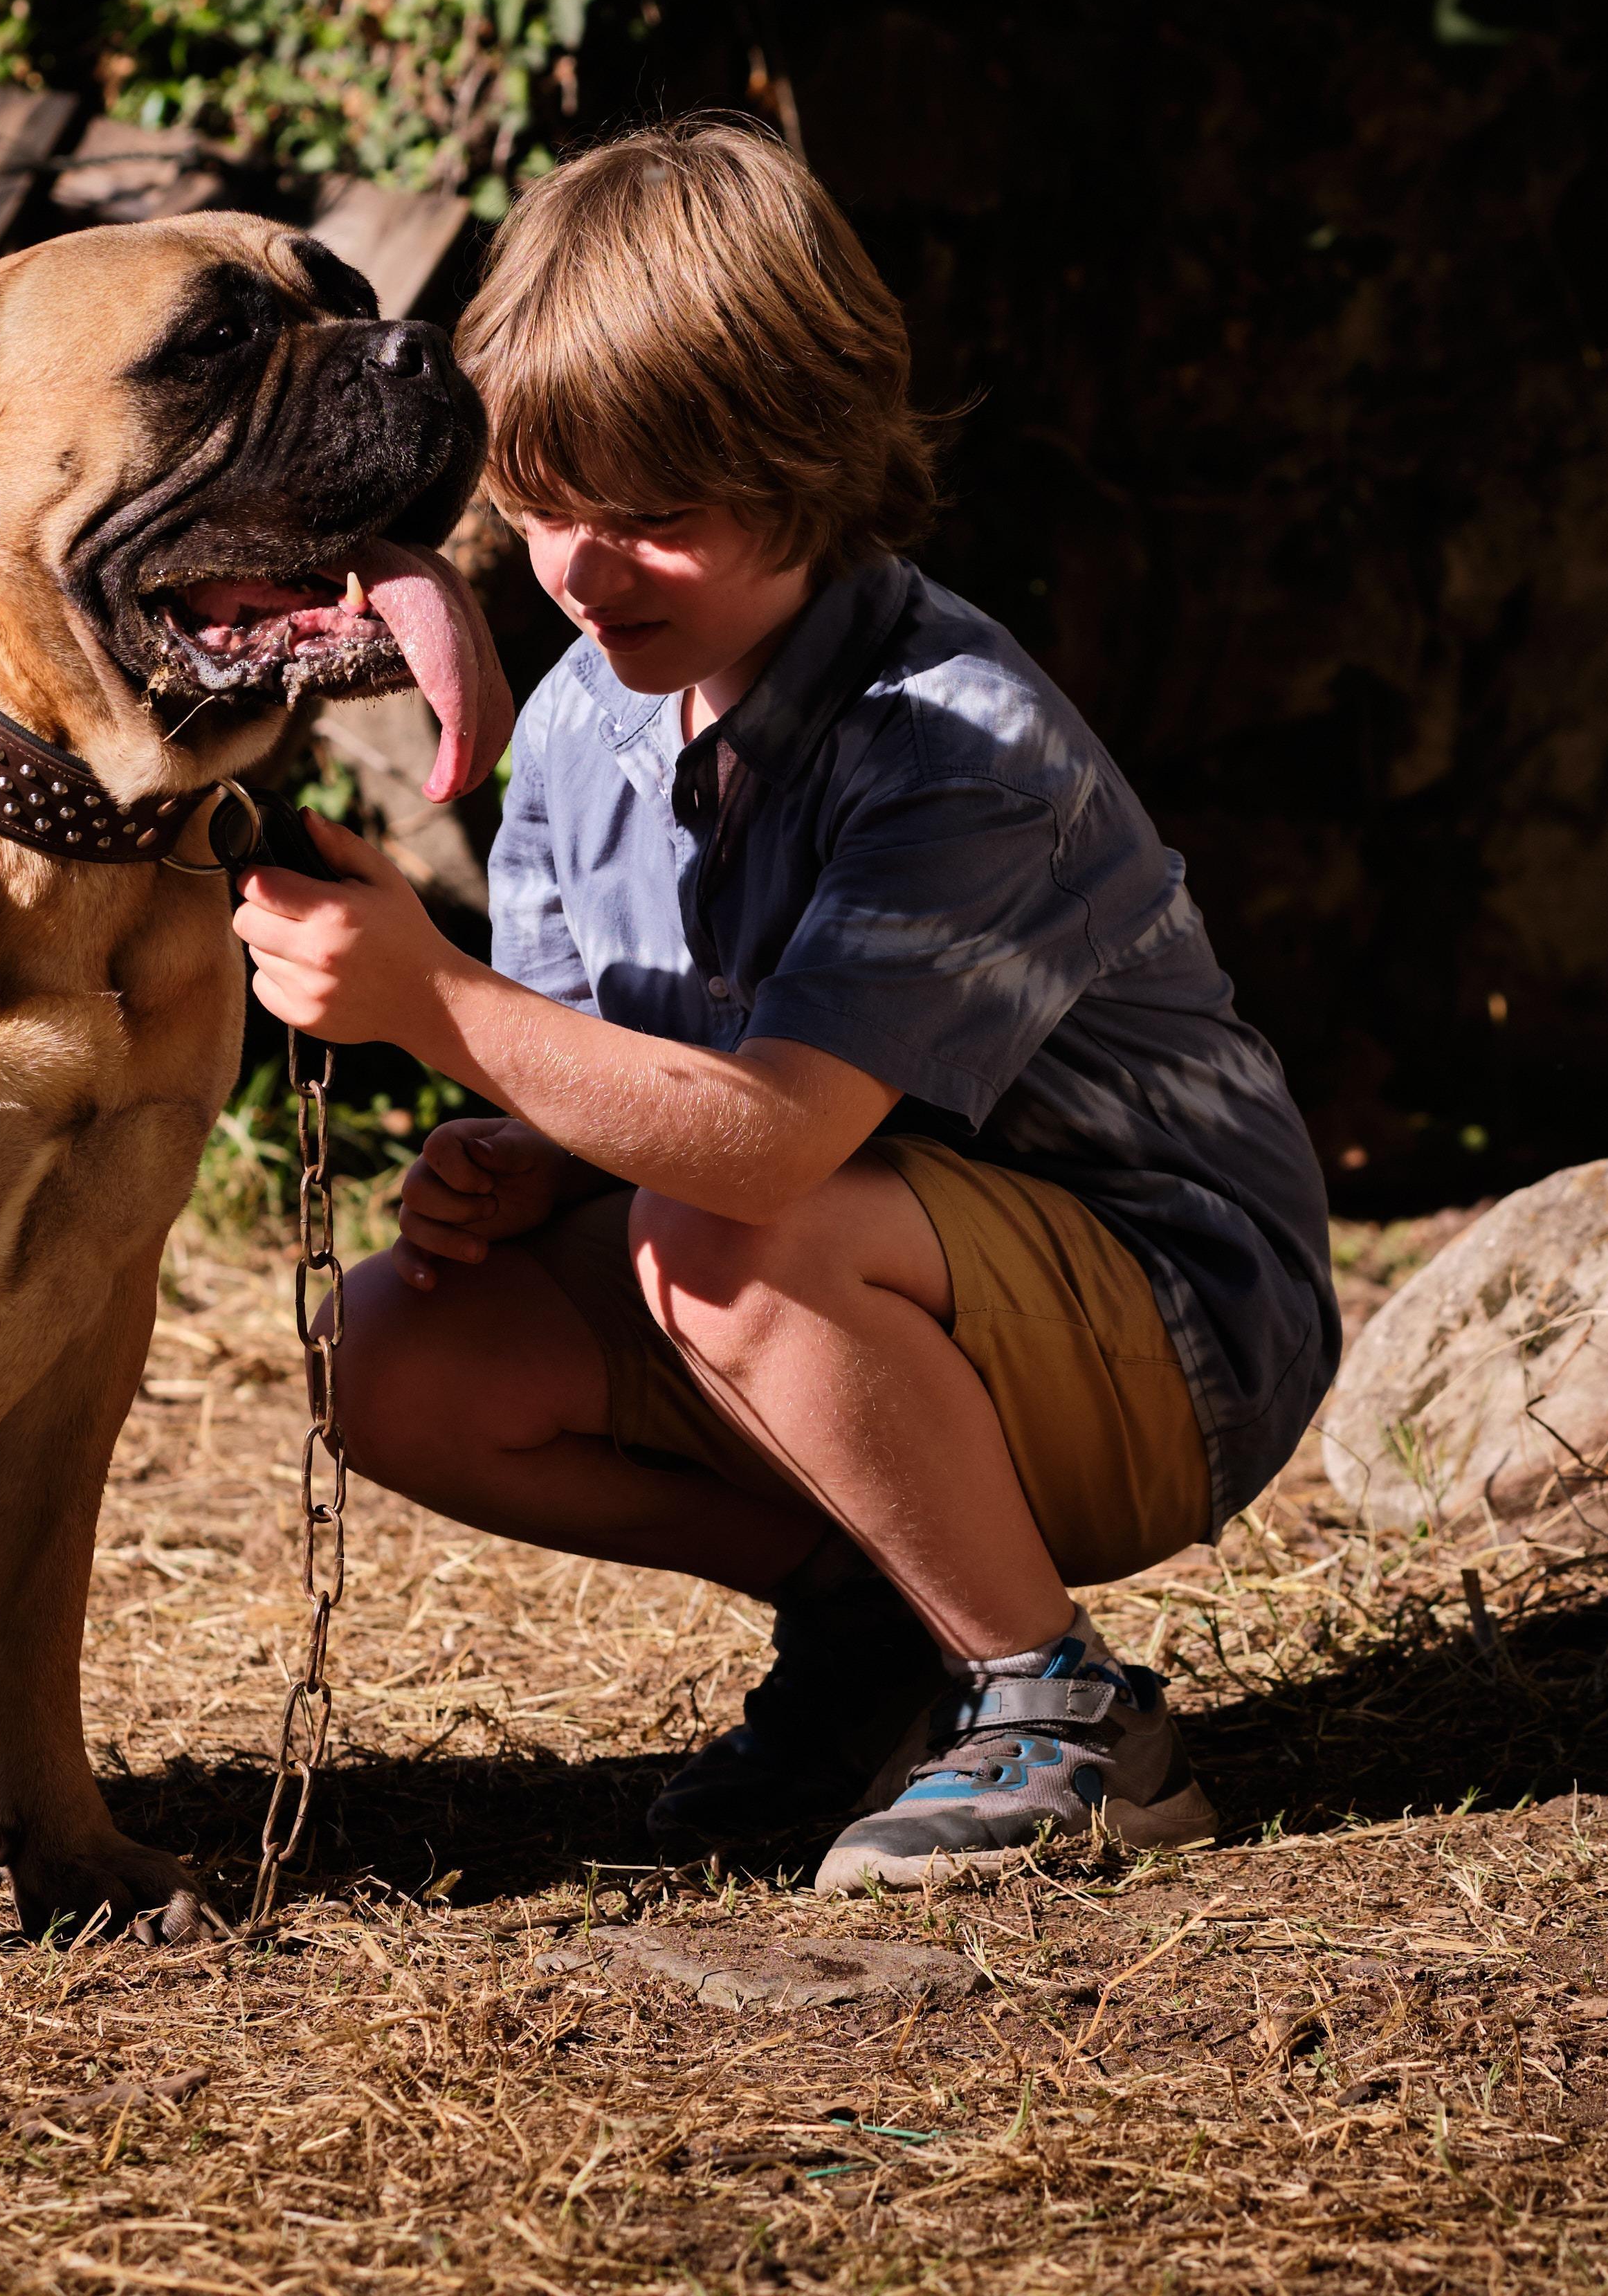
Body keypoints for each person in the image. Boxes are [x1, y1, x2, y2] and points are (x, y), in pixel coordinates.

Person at [231, 117, 1337, 1889]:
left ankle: (1068, 1717)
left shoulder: (950, 737)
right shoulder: (593, 711)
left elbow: (764, 1145)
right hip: (853, 1255)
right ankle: (881, 1618)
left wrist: (431, 1004)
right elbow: (604, 1076)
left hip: (1173, 1328)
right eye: (541, 506)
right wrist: (523, 1160)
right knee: (399, 1346)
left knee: (722, 1233)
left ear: (814, 468)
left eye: (654, 522)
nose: (582, 574)